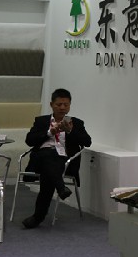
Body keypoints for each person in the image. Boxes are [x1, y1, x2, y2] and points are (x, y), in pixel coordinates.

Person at [22, 88, 92, 229]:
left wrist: (70, 131)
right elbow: (29, 141)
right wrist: (49, 133)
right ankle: (60, 188)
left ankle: (38, 217)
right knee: (48, 155)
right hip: (41, 158)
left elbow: (87, 142)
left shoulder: (76, 123)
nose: (62, 107)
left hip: (64, 160)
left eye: (66, 104)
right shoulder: (41, 121)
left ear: (70, 105)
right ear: (51, 104)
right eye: (59, 104)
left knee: (49, 172)